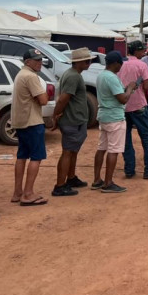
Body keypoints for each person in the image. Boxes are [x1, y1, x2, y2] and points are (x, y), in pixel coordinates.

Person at [93, 51, 138, 193]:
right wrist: (130, 88)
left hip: (104, 115)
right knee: (114, 150)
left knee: (102, 148)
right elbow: (123, 99)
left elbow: (115, 94)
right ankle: (108, 182)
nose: (121, 66)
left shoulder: (101, 76)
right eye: (120, 63)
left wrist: (126, 90)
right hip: (114, 116)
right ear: (115, 63)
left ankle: (97, 179)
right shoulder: (112, 78)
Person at [51, 47, 94, 196]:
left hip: (75, 119)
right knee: (68, 152)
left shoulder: (73, 74)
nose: (89, 64)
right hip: (72, 120)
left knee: (72, 151)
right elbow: (63, 99)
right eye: (87, 61)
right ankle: (60, 185)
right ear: (79, 62)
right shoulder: (73, 76)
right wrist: (55, 115)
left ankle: (70, 178)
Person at [10, 49, 50, 206]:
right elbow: (43, 100)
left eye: (40, 60)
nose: (40, 62)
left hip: (21, 121)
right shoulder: (31, 76)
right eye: (36, 60)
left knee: (22, 156)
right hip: (32, 121)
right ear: (28, 62)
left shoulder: (21, 74)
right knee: (36, 156)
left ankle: (18, 192)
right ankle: (28, 193)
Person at [119, 41, 148, 180]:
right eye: (142, 50)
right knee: (147, 137)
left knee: (126, 139)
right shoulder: (141, 65)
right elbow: (147, 87)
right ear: (136, 51)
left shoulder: (120, 65)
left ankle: (129, 170)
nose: (143, 52)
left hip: (123, 105)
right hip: (139, 105)